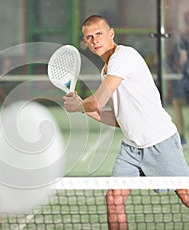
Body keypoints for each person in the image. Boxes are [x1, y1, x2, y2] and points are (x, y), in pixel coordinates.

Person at [63, 15, 189, 230]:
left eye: (99, 34)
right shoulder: (107, 71)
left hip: (159, 142)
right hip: (132, 149)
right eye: (89, 37)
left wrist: (79, 105)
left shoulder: (124, 57)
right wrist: (82, 109)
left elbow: (98, 101)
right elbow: (117, 118)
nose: (95, 40)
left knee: (186, 196)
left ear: (111, 33)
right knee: (113, 199)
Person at [171, 10, 189, 148]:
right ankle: (181, 137)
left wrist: (179, 66)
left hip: (186, 76)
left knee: (177, 102)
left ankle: (182, 137)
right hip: (186, 76)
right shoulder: (183, 35)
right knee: (177, 101)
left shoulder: (184, 36)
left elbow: (183, 58)